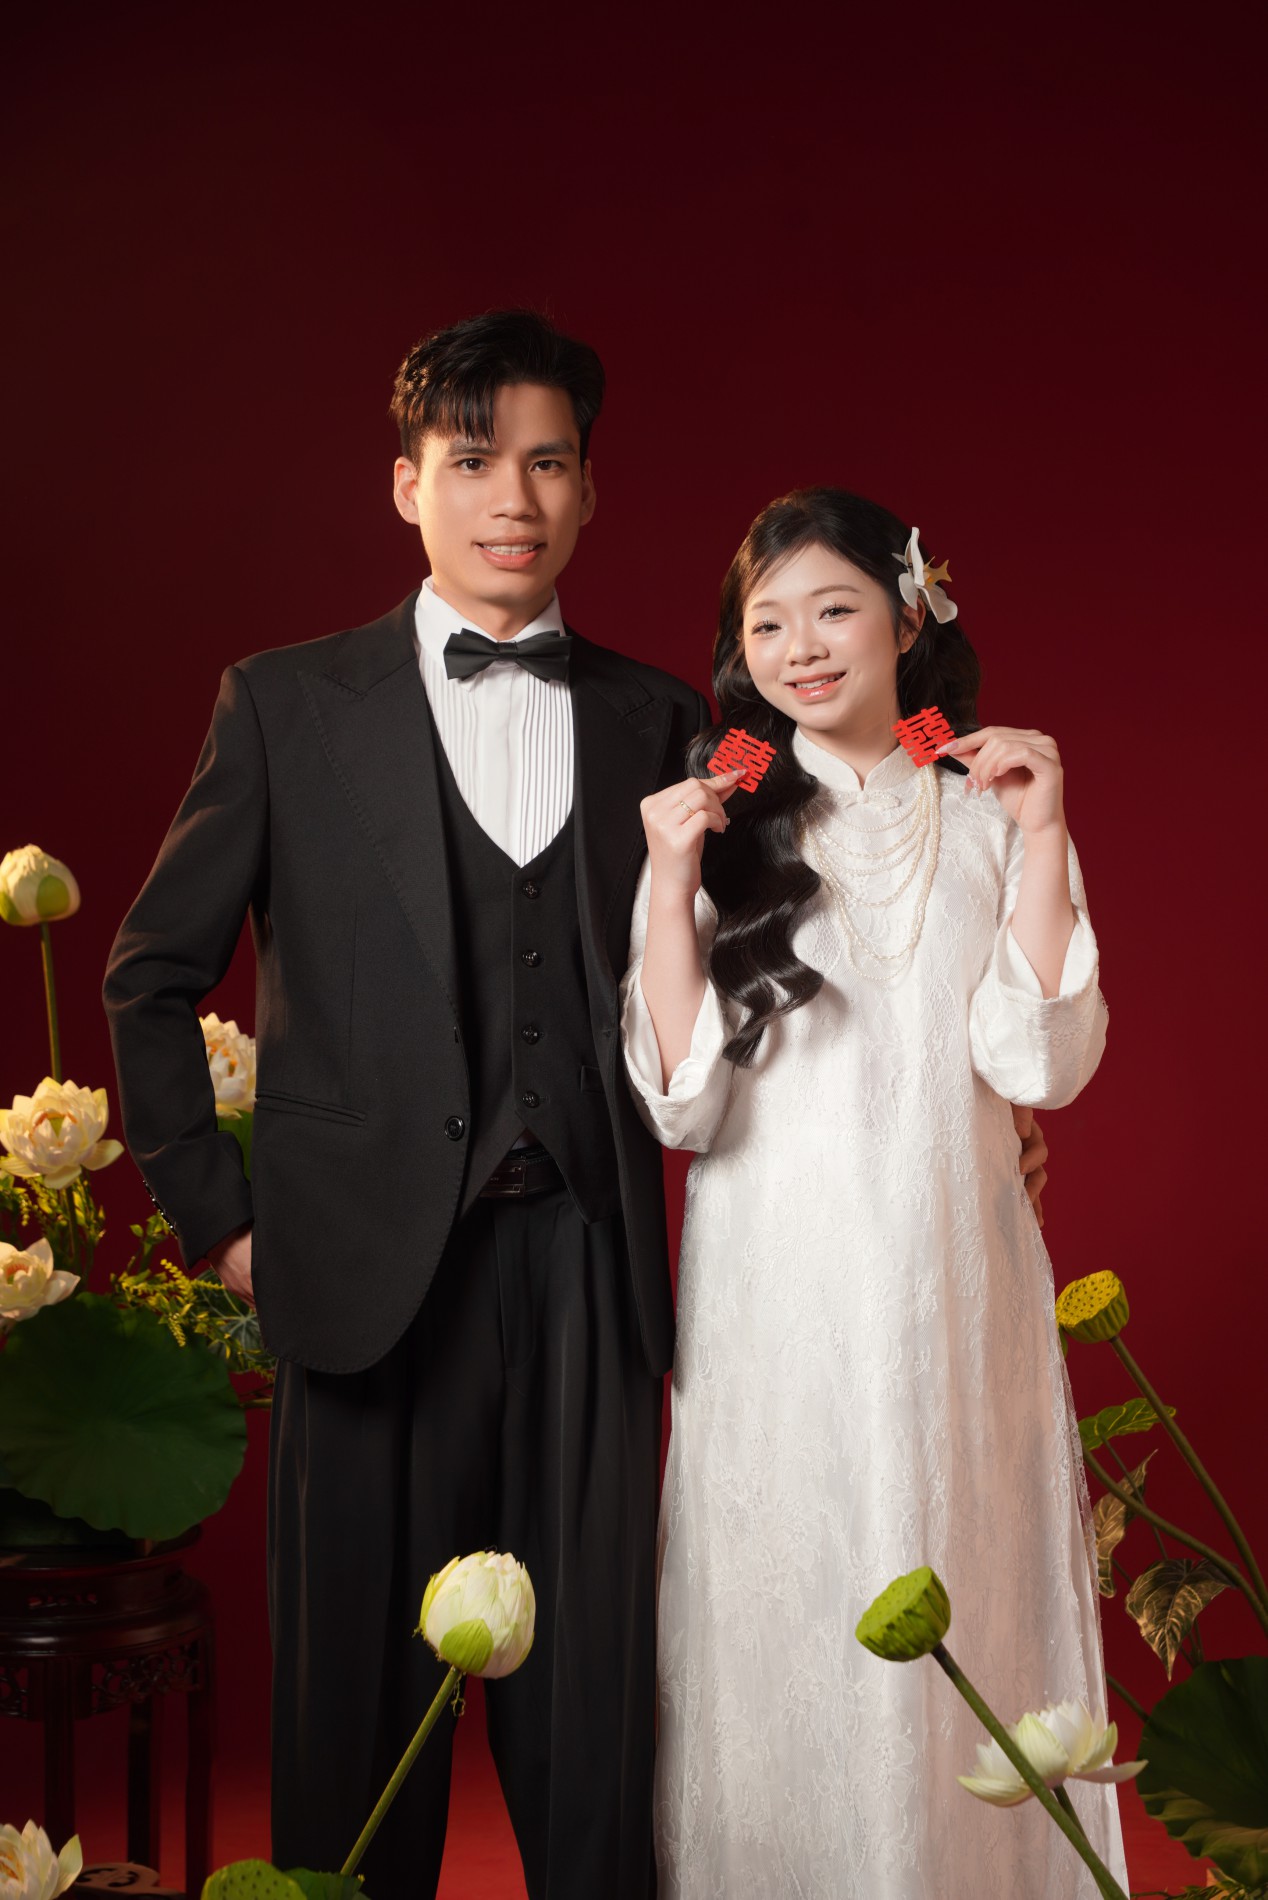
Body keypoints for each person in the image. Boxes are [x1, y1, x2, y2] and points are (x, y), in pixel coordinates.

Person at [102, 310, 710, 1900]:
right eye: (473, 460)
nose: (514, 497)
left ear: (590, 492)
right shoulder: (284, 704)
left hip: (589, 1267)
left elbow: (766, 947)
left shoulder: (657, 719)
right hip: (362, 1281)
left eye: (549, 463)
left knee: (599, 1727)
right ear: (405, 485)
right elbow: (147, 978)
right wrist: (228, 1230)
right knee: (354, 1738)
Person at [621, 486, 1126, 1897]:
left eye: (834, 609)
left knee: (971, 1567)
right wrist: (666, 880)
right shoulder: (723, 823)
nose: (801, 648)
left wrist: (1042, 834)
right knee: (785, 1601)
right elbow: (681, 1102)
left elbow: (1039, 1058)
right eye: (766, 624)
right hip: (774, 1296)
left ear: (910, 618)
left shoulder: (985, 807)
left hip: (958, 1283)